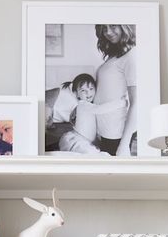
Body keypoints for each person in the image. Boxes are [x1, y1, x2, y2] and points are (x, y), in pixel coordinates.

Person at [45, 73, 126, 153]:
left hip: (83, 141)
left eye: (91, 89)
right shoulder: (82, 104)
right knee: (96, 155)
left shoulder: (91, 105)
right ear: (76, 94)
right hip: (77, 140)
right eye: (83, 90)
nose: (88, 93)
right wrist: (121, 102)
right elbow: (100, 109)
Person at [94, 24, 137, 156]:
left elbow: (136, 102)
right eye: (104, 28)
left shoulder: (132, 56)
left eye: (113, 26)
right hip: (103, 130)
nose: (108, 32)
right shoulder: (114, 56)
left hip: (116, 134)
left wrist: (124, 145)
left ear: (124, 27)